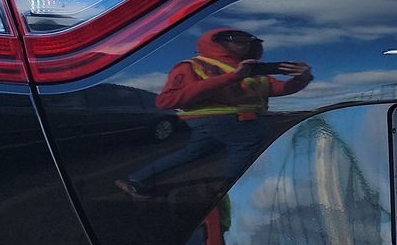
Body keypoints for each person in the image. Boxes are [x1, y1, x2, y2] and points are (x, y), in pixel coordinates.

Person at [115, 29, 312, 202]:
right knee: (250, 144)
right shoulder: (193, 66)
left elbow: (278, 88)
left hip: (230, 120)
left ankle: (136, 180)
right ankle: (228, 195)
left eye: (249, 41)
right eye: (238, 39)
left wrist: (301, 79)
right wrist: (233, 76)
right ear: (218, 41)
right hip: (220, 118)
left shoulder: (252, 69)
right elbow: (167, 101)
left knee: (194, 153)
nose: (245, 44)